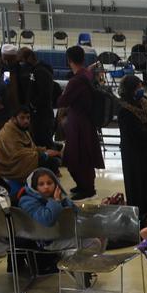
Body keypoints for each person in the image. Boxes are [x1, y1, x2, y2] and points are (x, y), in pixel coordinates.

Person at [56, 46, 103, 200]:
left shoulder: (76, 81)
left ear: (69, 60)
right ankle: (84, 185)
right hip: (85, 120)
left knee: (77, 157)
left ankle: (87, 188)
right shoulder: (86, 74)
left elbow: (63, 101)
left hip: (78, 123)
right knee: (83, 155)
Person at [116, 75, 147, 216]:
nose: (141, 89)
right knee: (137, 185)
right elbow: (139, 134)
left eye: (141, 86)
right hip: (134, 155)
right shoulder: (124, 109)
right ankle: (140, 215)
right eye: (137, 87)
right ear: (130, 89)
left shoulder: (145, 102)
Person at [0, 106, 61, 186]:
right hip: (6, 167)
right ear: (14, 119)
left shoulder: (21, 129)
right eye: (22, 118)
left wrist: (44, 151)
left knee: (54, 157)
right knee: (50, 161)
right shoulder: (8, 133)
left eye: (28, 118)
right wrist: (44, 154)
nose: (26, 121)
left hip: (22, 159)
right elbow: (17, 155)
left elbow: (31, 147)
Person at [17, 48, 59, 149]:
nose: (22, 64)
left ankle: (52, 162)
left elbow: (44, 94)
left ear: (28, 58)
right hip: (40, 114)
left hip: (41, 116)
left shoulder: (40, 71)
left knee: (43, 142)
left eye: (22, 60)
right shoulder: (37, 70)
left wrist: (33, 105)